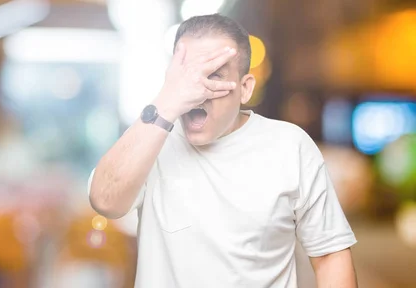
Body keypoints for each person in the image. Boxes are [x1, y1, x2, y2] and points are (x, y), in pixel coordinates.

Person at [88, 13, 357, 288]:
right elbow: (105, 202)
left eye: (214, 76)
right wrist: (167, 102)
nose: (198, 91)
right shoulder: (151, 140)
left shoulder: (290, 146)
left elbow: (330, 257)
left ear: (245, 88)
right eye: (188, 76)